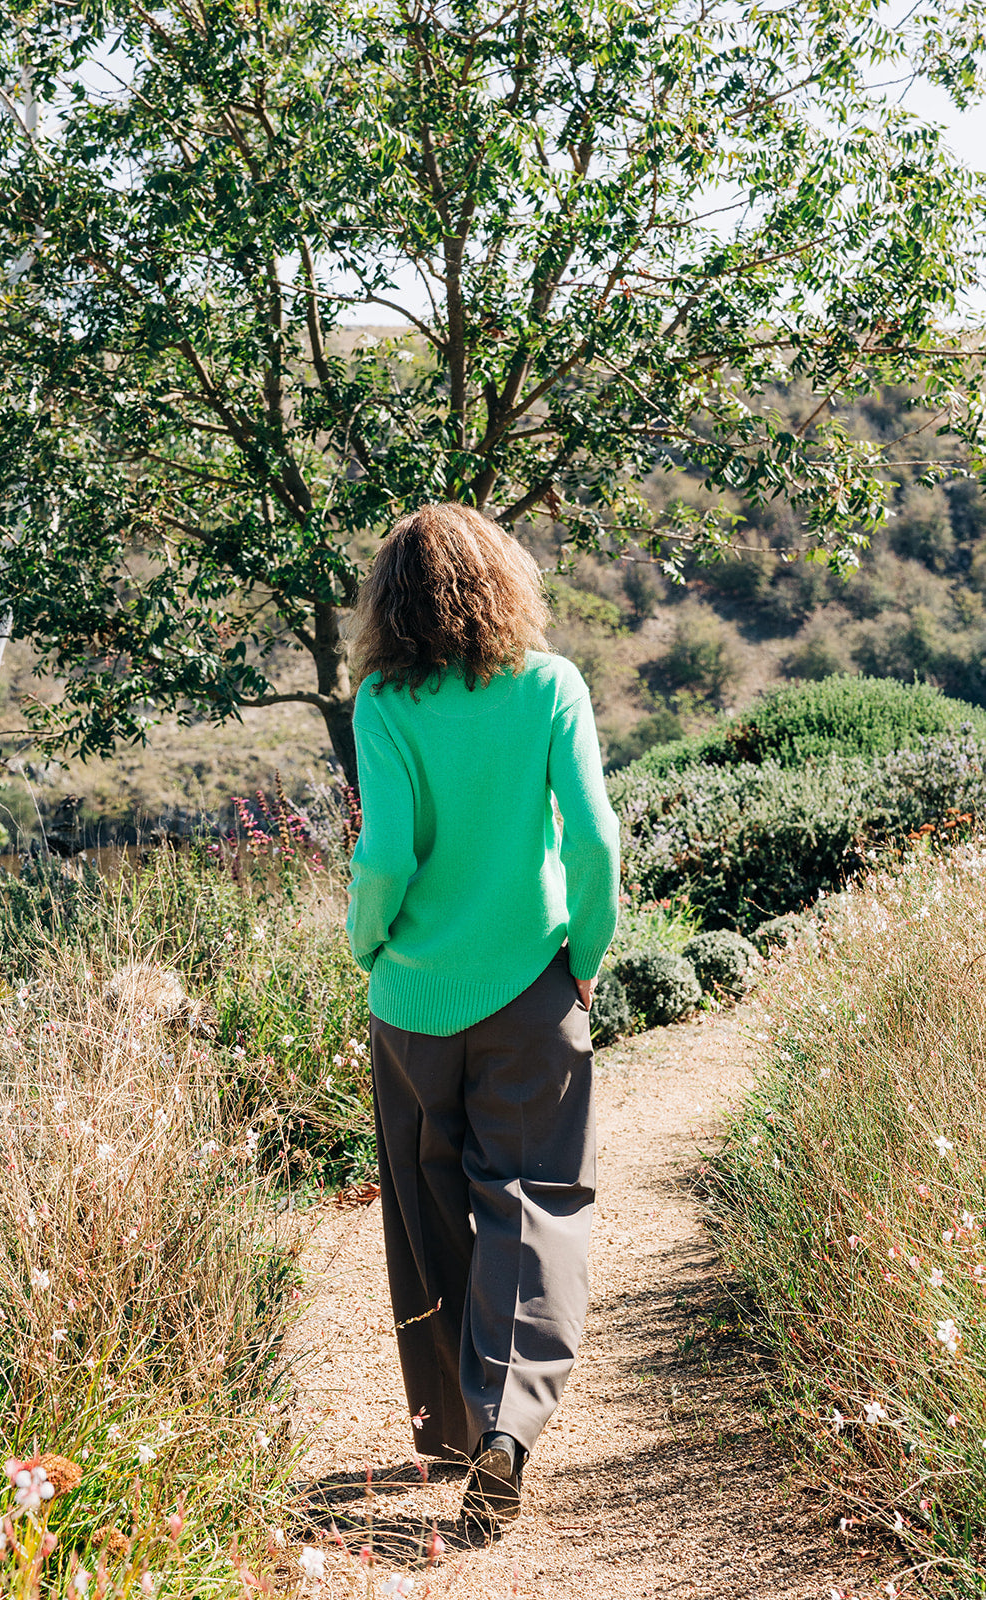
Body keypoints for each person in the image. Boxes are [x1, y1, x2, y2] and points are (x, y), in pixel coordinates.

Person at [345, 502, 620, 1529]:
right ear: (504, 583)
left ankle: (457, 1428)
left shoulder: (381, 700)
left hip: (412, 1003)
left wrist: (370, 946)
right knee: (535, 1197)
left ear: (391, 602)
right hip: (531, 991)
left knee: (429, 1213)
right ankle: (509, 1424)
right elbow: (592, 839)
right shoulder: (550, 686)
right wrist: (582, 959)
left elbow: (383, 857)